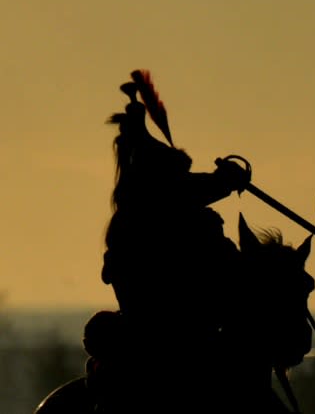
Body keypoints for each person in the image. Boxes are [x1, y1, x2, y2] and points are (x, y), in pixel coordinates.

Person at [98, 71, 252, 411]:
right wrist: (226, 180)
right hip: (169, 341)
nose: (183, 180)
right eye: (176, 175)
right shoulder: (153, 211)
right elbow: (188, 190)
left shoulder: (147, 209)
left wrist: (224, 180)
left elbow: (190, 189)